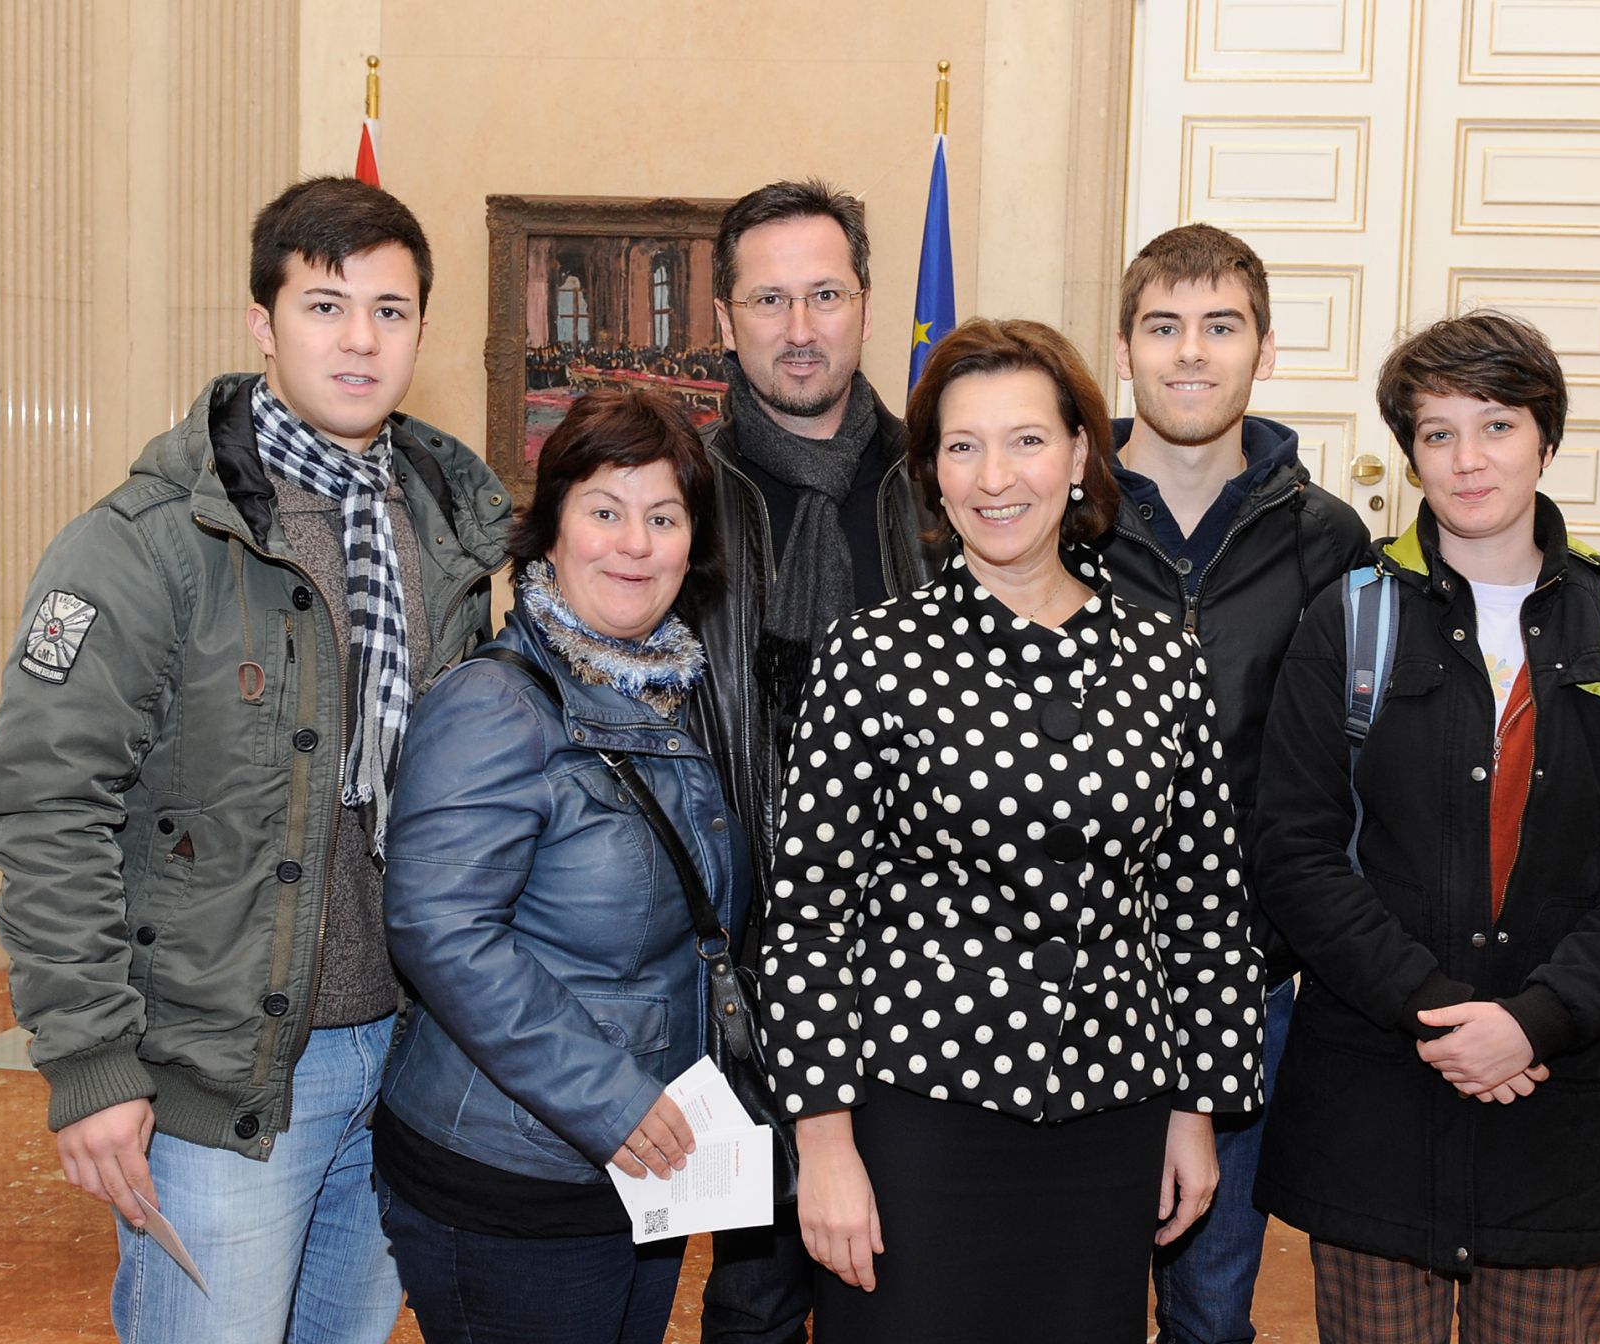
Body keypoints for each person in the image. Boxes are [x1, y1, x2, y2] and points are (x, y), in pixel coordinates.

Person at [0, 176, 512, 1341]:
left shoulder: (451, 536)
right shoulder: (147, 543)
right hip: (219, 1076)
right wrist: (91, 1064)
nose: (360, 338)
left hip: (404, 1063)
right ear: (263, 325)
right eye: (325, 306)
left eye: (390, 308)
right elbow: (45, 810)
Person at [758, 318, 1266, 1341]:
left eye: (1026, 440)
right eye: (961, 445)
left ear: (1080, 453)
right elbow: (804, 914)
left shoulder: (1162, 661)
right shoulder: (871, 655)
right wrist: (821, 1142)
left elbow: (1203, 902)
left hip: (1111, 1115)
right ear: (932, 475)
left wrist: (1194, 1106)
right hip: (913, 1121)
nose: (996, 475)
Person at [1253, 311, 1600, 1342]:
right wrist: (1438, 1015)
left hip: (1554, 1111)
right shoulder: (1348, 619)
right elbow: (1295, 850)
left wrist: (1531, 1023)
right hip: (1375, 1095)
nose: (1466, 460)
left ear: (1545, 440)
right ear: (1408, 452)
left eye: (1495, 426)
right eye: (1436, 432)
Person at [372, 387, 739, 1343]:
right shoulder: (501, 702)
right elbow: (440, 929)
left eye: (664, 518)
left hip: (629, 1170)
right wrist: (613, 1099)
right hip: (513, 1181)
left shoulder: (657, 691)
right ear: (550, 532)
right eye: (605, 512)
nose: (635, 543)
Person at [1101, 222, 1371, 1343]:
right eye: (1162, 327)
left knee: (1211, 1305)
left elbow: (1354, 772)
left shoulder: (1326, 539)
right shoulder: (1062, 521)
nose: (1189, 354)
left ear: (1262, 348)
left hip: (1246, 984)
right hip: (1077, 977)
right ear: (1123, 350)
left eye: (1219, 326)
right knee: (1074, 1289)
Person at [692, 178, 941, 1344]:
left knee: (904, 1277)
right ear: (726, 316)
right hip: (731, 963)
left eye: (825, 295)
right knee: (751, 1293)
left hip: (922, 970)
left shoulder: (942, 488)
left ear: (866, 302)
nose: (801, 328)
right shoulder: (675, 495)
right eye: (770, 298)